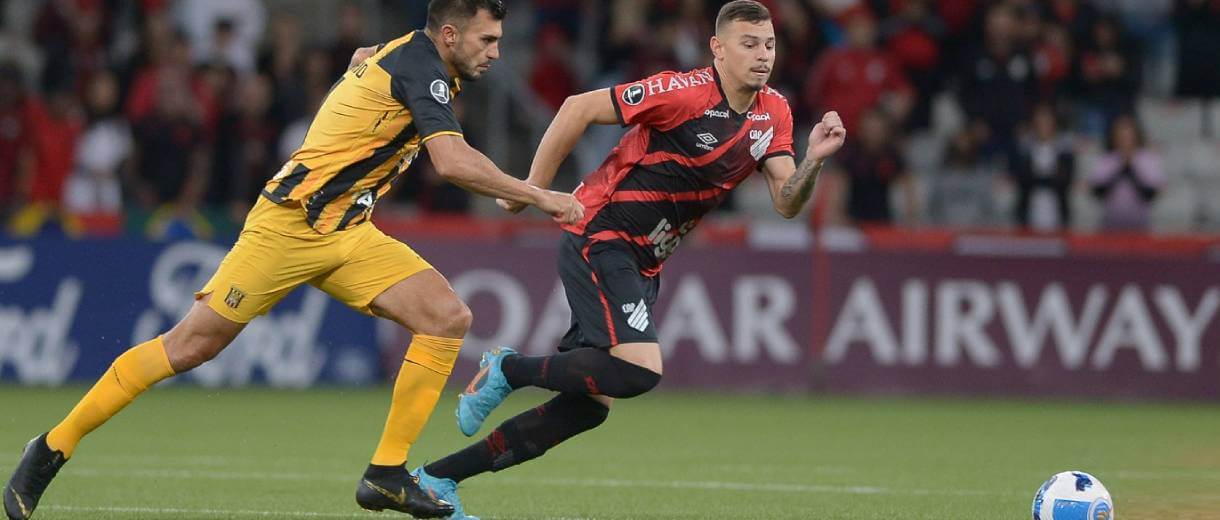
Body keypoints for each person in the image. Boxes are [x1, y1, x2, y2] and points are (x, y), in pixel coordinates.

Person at [3, 1, 582, 519]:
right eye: (488, 40)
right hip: (290, 225)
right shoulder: (419, 66)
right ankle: (51, 448)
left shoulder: (415, 60)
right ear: (451, 34)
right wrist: (538, 194)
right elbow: (451, 163)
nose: (497, 53)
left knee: (446, 317)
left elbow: (373, 81)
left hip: (348, 231)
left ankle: (385, 474)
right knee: (188, 347)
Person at [409, 2, 846, 518]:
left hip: (644, 262)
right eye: (749, 44)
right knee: (640, 371)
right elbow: (576, 107)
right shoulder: (683, 92)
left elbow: (786, 202)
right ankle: (508, 369)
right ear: (718, 49)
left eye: (769, 44)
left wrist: (814, 160)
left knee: (588, 410)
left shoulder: (774, 111)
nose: (763, 55)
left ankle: (438, 479)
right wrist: (531, 189)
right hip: (603, 233)